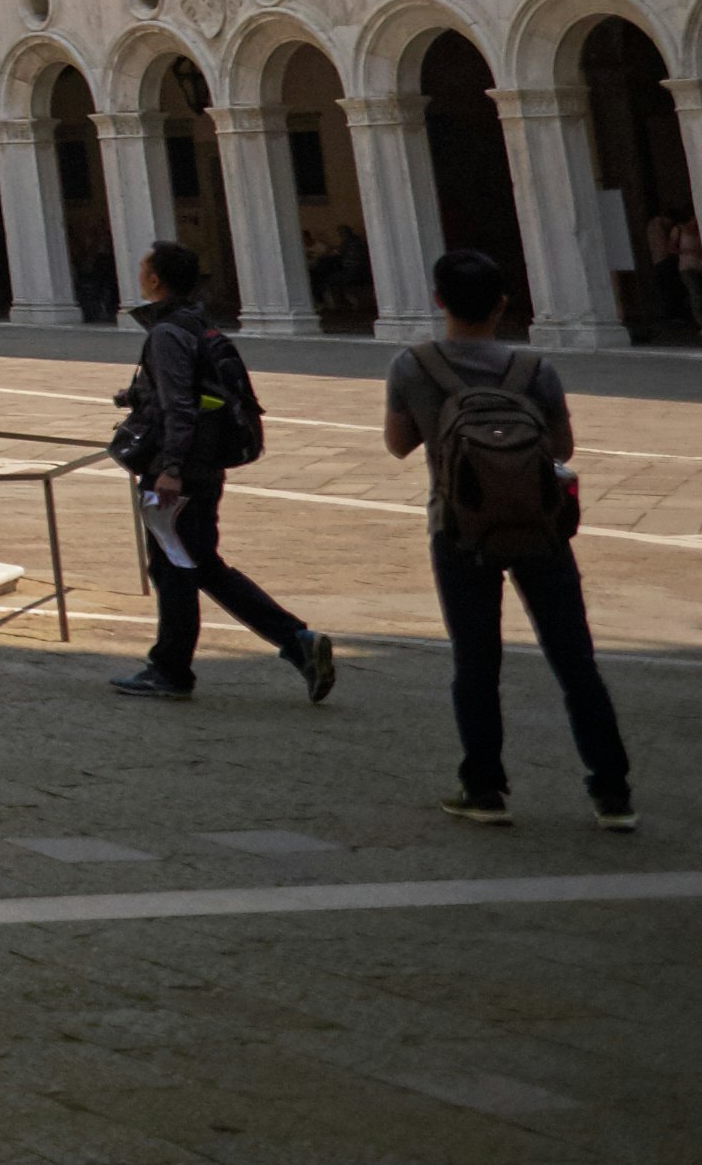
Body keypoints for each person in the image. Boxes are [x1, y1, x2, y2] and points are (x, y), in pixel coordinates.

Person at [386, 245, 634, 831]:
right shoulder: (534, 369)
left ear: (439, 299)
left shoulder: (412, 365)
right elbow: (562, 448)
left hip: (458, 529)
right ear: (503, 303)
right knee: (575, 662)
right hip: (540, 530)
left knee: (476, 663)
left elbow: (398, 444)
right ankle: (613, 793)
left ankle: (484, 788)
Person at [109, 240, 340, 706]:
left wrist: (169, 468)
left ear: (155, 280)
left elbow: (180, 406)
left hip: (180, 472)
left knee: (176, 567)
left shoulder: (167, 333)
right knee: (201, 565)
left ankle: (172, 670)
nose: (139, 275)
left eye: (143, 269)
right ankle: (297, 643)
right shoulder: (197, 324)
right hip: (204, 465)